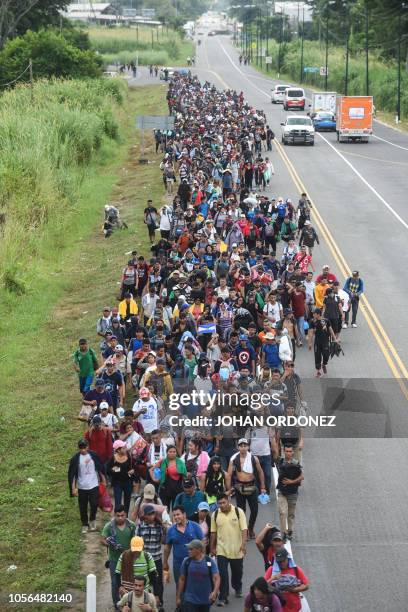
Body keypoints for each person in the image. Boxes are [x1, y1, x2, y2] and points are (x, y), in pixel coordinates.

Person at [210, 493, 247, 606]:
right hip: (222, 550)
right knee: (222, 574)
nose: (221, 505)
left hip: (237, 550)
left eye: (223, 502)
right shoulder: (215, 514)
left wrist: (243, 544)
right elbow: (213, 532)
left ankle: (237, 587)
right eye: (219, 503)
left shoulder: (238, 512)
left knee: (237, 572)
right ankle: (223, 597)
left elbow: (244, 529)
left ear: (228, 501)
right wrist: (212, 547)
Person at [226, 438, 266, 538]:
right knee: (241, 511)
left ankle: (251, 528)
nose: (243, 448)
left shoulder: (253, 458)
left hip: (252, 486)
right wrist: (229, 489)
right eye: (241, 446)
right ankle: (245, 531)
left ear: (248, 447)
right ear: (238, 447)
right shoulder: (234, 459)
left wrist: (263, 487)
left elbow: (260, 472)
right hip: (239, 487)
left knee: (254, 510)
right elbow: (229, 475)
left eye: (245, 446)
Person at [68, 439, 106, 534]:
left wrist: (103, 480)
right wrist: (73, 488)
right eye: (81, 448)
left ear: (88, 446)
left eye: (84, 447)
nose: (83, 450)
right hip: (82, 486)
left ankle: (92, 519)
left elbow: (100, 467)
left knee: (94, 504)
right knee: (83, 506)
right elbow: (72, 474)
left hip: (93, 484)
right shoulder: (76, 458)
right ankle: (85, 524)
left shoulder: (93, 455)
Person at [102, 505, 136, 608]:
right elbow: (102, 539)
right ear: (114, 515)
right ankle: (116, 603)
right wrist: (110, 544)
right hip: (114, 560)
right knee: (114, 582)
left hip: (128, 559)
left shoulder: (132, 526)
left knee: (129, 581)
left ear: (126, 515)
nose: (120, 518)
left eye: (122, 515)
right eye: (118, 516)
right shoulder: (109, 526)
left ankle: (128, 602)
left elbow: (135, 540)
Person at [135, 504, 166, 611]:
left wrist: (164, 529)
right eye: (149, 514)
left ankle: (159, 601)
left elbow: (163, 541)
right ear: (145, 516)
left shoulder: (159, 526)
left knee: (157, 581)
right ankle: (144, 602)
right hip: (144, 560)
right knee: (144, 581)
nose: (152, 516)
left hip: (157, 558)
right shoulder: (140, 526)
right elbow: (136, 541)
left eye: (153, 513)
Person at [176, 539, 220, 612]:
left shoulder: (209, 561)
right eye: (188, 549)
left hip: (205, 600)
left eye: (191, 549)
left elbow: (217, 577)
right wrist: (178, 597)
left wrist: (215, 592)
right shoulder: (186, 561)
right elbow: (182, 579)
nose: (188, 551)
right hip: (189, 599)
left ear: (199, 550)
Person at [164, 505, 203, 585]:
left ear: (184, 514)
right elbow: (167, 548)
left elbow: (202, 544)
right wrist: (165, 562)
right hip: (178, 565)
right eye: (174, 515)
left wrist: (202, 560)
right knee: (180, 586)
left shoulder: (195, 526)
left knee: (194, 586)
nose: (176, 517)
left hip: (194, 563)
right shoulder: (171, 530)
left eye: (178, 514)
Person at [275, 446, 303, 541]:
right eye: (286, 451)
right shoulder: (280, 462)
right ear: (284, 451)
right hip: (282, 492)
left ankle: (290, 531)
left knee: (291, 514)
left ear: (292, 452)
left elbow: (301, 477)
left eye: (290, 451)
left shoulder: (296, 464)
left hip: (293, 492)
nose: (288, 453)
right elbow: (275, 451)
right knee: (282, 512)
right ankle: (283, 533)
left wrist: (291, 482)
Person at [107, 440, 135, 515]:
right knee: (118, 501)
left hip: (127, 482)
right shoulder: (113, 458)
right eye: (123, 448)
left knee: (127, 500)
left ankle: (125, 517)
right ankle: (117, 517)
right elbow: (107, 470)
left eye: (125, 447)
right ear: (118, 450)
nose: (125, 449)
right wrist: (113, 470)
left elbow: (132, 468)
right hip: (117, 483)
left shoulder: (128, 456)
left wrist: (132, 471)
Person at [308, 308, 337, 377]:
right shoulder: (312, 322)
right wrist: (310, 343)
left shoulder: (326, 320)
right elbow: (311, 333)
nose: (313, 314)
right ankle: (318, 371)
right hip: (317, 342)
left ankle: (324, 364)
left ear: (318, 314)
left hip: (325, 341)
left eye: (314, 313)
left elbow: (330, 329)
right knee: (317, 357)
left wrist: (335, 339)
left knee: (326, 355)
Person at [159, 445, 187, 510]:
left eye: (174, 452)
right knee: (165, 509)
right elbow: (153, 470)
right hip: (165, 489)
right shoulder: (163, 462)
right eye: (170, 452)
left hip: (177, 489)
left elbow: (185, 474)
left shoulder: (180, 462)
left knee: (176, 509)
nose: (172, 453)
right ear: (167, 453)